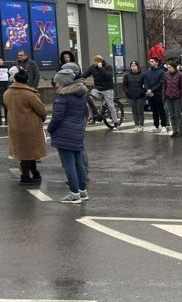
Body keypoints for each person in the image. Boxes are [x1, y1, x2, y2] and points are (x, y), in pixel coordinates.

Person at [48, 65, 89, 204]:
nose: (56, 85)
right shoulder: (81, 94)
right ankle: (82, 191)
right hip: (77, 131)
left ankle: (74, 194)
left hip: (64, 133)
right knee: (79, 164)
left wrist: (50, 129)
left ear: (63, 83)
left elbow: (57, 118)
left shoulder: (62, 97)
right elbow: (84, 113)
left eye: (57, 82)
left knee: (68, 165)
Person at [4, 69, 47, 184]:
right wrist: (42, 118)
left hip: (15, 126)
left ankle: (34, 173)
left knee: (24, 152)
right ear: (26, 81)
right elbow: (41, 110)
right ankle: (26, 176)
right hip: (30, 127)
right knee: (29, 152)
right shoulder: (29, 94)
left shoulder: (7, 93)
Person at [80, 55, 118, 129]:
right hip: (97, 88)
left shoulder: (108, 66)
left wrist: (101, 68)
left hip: (107, 89)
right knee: (89, 100)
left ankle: (116, 123)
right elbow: (85, 74)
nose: (94, 63)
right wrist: (77, 79)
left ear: (100, 62)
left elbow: (109, 76)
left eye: (95, 61)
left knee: (110, 106)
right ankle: (91, 117)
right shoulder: (93, 67)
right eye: (94, 61)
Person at [162, 61, 182, 138]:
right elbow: (164, 86)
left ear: (174, 67)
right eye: (168, 67)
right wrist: (164, 96)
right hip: (168, 97)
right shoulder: (166, 74)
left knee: (177, 115)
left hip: (177, 98)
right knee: (171, 115)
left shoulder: (180, 74)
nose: (168, 69)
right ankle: (174, 130)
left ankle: (179, 131)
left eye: (170, 67)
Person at [142, 57, 167, 132]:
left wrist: (151, 90)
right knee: (154, 111)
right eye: (150, 61)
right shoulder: (147, 72)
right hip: (150, 94)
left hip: (158, 94)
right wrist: (148, 90)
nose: (150, 62)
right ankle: (156, 126)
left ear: (157, 63)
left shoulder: (161, 72)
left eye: (152, 61)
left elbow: (161, 83)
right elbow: (145, 82)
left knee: (161, 110)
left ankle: (164, 125)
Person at [123, 61, 145, 131]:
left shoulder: (142, 75)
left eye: (135, 65)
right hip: (131, 96)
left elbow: (145, 85)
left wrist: (142, 92)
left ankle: (141, 125)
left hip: (140, 96)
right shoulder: (127, 75)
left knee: (140, 111)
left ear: (138, 66)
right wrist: (127, 93)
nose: (133, 67)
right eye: (132, 66)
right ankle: (136, 125)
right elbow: (124, 85)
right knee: (134, 111)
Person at [0, 57, 8, 125]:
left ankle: (7, 120)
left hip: (6, 88)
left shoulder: (7, 68)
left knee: (6, 104)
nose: (0, 61)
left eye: (1, 60)